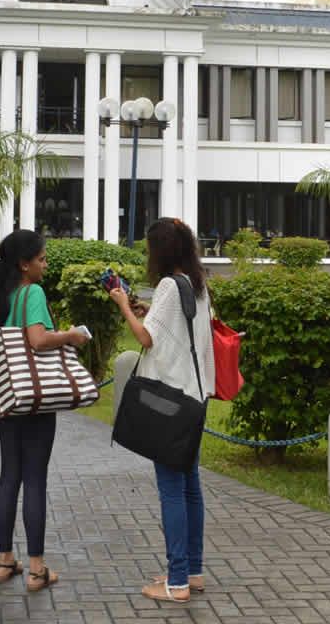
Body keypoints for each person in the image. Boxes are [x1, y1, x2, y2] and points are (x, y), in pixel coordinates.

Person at [0, 229, 89, 592]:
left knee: (9, 475)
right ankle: (38, 569)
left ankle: (5, 560)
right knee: (35, 478)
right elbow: (38, 340)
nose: (45, 264)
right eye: (41, 258)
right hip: (36, 399)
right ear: (24, 264)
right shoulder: (33, 292)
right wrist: (71, 336)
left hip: (8, 398)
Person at [109, 217, 214, 603]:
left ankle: (176, 583)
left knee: (172, 489)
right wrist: (145, 307)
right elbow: (176, 325)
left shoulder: (171, 285)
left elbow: (146, 336)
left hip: (169, 401)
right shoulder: (197, 284)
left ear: (161, 251)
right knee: (190, 487)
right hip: (195, 397)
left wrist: (123, 304)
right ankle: (192, 571)